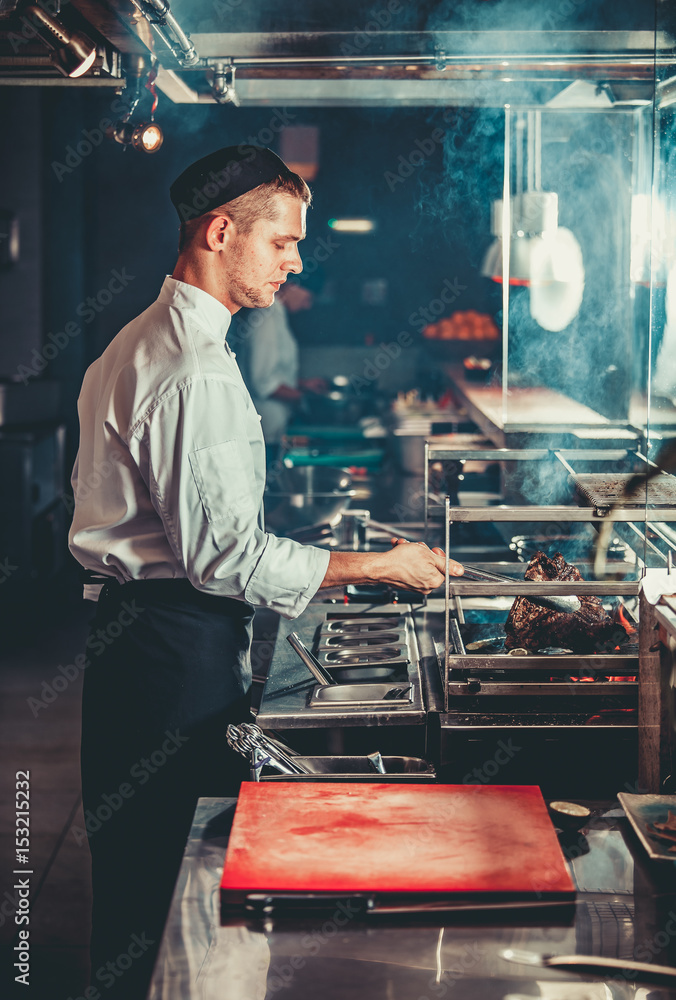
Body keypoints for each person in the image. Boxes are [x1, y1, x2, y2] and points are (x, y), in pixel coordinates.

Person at [68, 144, 464, 998]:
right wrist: (382, 566)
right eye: (282, 241)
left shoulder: (137, 342)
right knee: (180, 892)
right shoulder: (191, 370)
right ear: (220, 232)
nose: (296, 260)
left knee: (141, 888)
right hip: (171, 653)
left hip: (139, 642)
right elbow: (224, 558)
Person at [235, 279, 326, 458]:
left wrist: (303, 384)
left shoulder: (277, 314)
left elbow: (273, 372)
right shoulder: (267, 316)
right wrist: (307, 398)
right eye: (308, 298)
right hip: (265, 427)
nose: (307, 306)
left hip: (274, 426)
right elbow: (263, 382)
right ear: (293, 286)